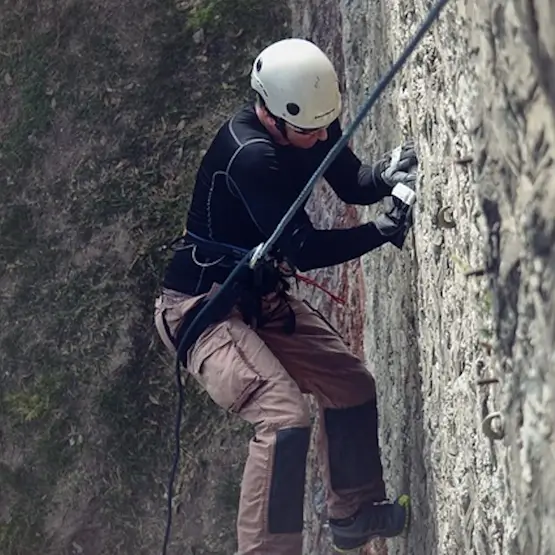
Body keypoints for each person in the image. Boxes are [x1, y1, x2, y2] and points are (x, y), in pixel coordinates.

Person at [154, 37, 418, 555]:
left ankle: (354, 514)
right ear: (272, 116)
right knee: (283, 418)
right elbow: (305, 249)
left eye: (326, 125)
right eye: (309, 131)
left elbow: (349, 182)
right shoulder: (250, 155)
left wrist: (382, 178)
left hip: (254, 297)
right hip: (200, 311)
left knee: (348, 383)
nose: (321, 136)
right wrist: (379, 232)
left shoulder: (313, 117)